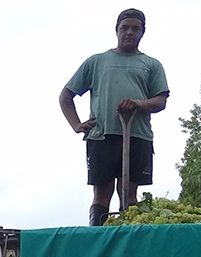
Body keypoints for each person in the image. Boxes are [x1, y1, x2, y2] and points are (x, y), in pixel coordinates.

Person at [58, 8, 169, 226]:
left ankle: (130, 236)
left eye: (135, 28)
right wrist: (76, 124)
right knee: (102, 192)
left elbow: (160, 101)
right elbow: (65, 96)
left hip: (137, 135)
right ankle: (97, 235)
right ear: (116, 30)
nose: (129, 32)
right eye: (124, 28)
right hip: (102, 135)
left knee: (129, 193)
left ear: (143, 32)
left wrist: (138, 103)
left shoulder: (151, 65)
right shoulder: (97, 62)